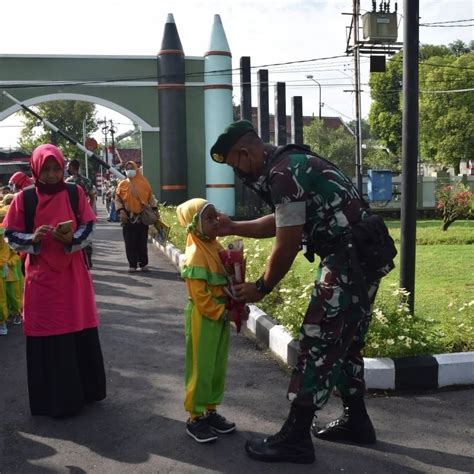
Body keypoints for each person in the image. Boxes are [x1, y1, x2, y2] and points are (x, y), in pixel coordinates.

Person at [209, 120, 394, 464]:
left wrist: (261, 287)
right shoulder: (289, 164)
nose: (238, 172)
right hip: (363, 255)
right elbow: (283, 220)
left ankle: (295, 437)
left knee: (318, 341)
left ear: (245, 152)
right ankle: (357, 422)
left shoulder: (282, 173)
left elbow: (288, 241)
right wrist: (234, 226)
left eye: (235, 164)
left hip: (348, 258)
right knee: (345, 342)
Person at [3, 144, 106, 417]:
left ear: (62, 168)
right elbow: (10, 234)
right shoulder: (24, 199)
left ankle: (85, 393)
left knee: (77, 330)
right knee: (48, 335)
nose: (50, 174)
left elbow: (89, 225)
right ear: (35, 169)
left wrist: (72, 239)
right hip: (41, 279)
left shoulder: (75, 193)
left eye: (55, 168)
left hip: (73, 277)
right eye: (45, 169)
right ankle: (54, 401)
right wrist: (32, 238)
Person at [176, 198, 237, 444]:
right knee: (201, 366)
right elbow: (200, 297)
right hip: (205, 318)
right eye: (208, 218)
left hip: (220, 316)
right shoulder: (195, 254)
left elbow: (226, 277)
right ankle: (195, 417)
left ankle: (210, 410)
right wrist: (222, 312)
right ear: (193, 224)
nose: (215, 222)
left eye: (215, 216)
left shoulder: (215, 246)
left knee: (217, 364)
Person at [114, 161, 157, 273]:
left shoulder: (144, 183)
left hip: (142, 218)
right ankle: (132, 264)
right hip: (127, 218)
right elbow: (117, 199)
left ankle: (143, 264)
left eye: (131, 168)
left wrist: (155, 210)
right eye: (127, 168)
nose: (129, 170)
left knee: (142, 243)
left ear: (136, 169)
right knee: (130, 243)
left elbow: (150, 198)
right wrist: (121, 211)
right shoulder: (122, 184)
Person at [66, 159, 95, 267]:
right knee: (86, 235)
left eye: (68, 166)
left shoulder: (68, 182)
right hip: (84, 211)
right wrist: (89, 209)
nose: (67, 168)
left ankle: (77, 262)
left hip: (71, 213)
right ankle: (88, 261)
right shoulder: (86, 181)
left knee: (73, 235)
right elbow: (92, 196)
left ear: (73, 167)